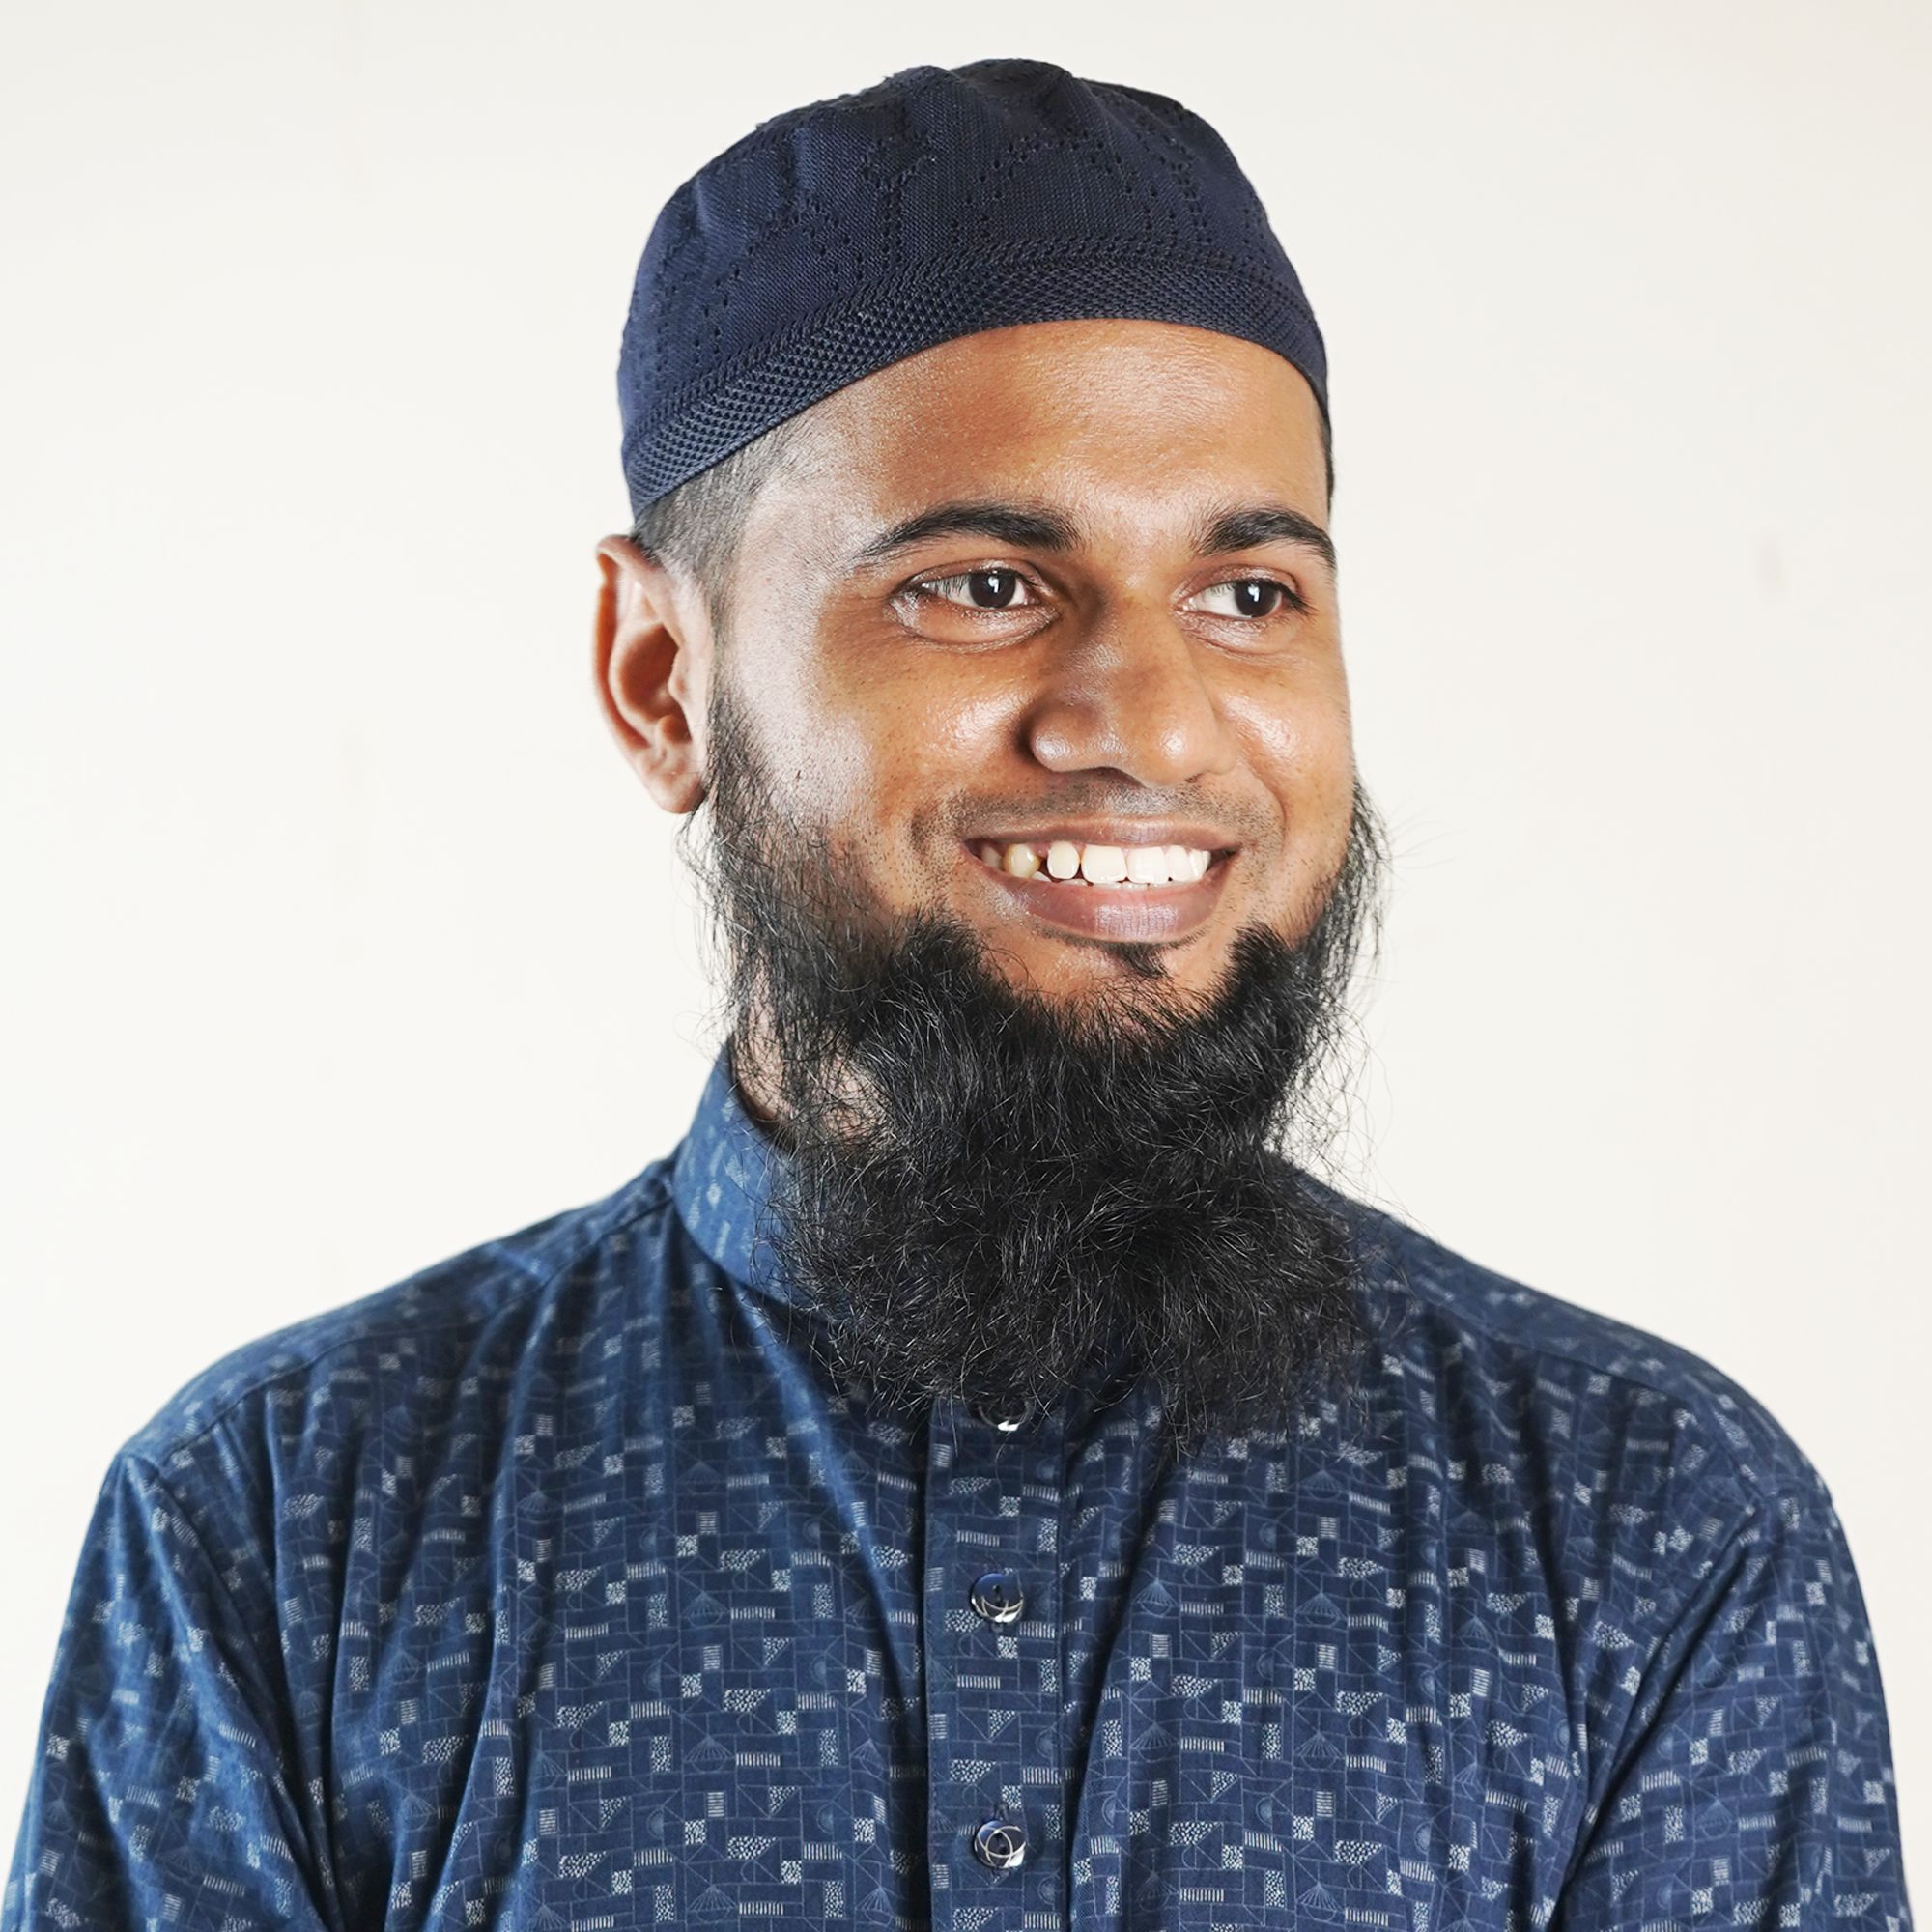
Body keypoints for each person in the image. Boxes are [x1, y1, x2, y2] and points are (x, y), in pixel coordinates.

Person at [3, 56, 1910, 1932]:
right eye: (985, 585)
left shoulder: (1645, 1535)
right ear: (661, 677)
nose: (1154, 724)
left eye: (1250, 596)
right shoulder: (287, 1530)